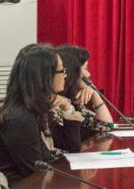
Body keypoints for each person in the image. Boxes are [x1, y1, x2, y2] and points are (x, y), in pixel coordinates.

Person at [0, 44, 81, 185]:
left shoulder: (38, 109)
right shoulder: (20, 118)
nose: (65, 76)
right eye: (61, 70)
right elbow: (35, 175)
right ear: (45, 76)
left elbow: (72, 150)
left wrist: (68, 109)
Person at [57, 45, 114, 142]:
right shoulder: (57, 101)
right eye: (85, 68)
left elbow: (107, 126)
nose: (89, 74)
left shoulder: (74, 100)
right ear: (72, 71)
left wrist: (95, 95)